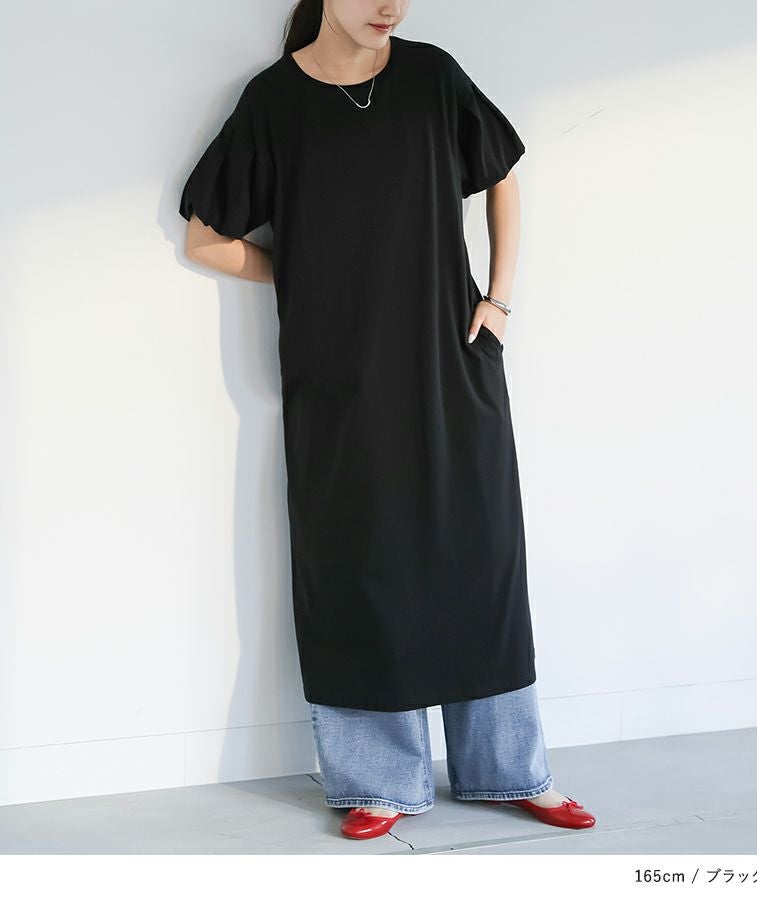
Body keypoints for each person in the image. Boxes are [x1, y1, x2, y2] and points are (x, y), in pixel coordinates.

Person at [178, 0, 596, 840]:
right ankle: (378, 781)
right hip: (341, 376)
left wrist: (499, 299)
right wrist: (309, 271)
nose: (390, 6)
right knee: (359, 562)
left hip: (451, 356)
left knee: (480, 558)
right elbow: (206, 238)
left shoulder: (432, 78)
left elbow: (502, 172)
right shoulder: (275, 102)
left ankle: (509, 769)